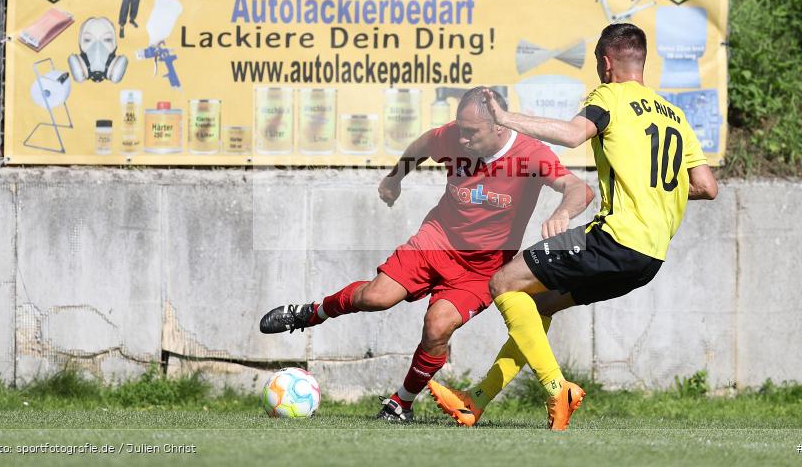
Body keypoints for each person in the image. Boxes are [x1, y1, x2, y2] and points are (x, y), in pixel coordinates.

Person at [427, 23, 718, 431]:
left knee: (503, 282)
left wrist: (506, 118)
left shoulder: (609, 97)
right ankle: (475, 402)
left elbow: (571, 134)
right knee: (539, 305)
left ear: (606, 63)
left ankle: (556, 388)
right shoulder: (675, 116)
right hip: (650, 258)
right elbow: (706, 186)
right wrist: (652, 191)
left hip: (615, 239)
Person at [260, 87, 594, 423]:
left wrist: (563, 212)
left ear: (498, 126)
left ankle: (400, 404)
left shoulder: (530, 154)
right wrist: (395, 178)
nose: (461, 139)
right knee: (376, 297)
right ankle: (311, 313)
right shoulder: (453, 137)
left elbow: (578, 188)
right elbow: (421, 146)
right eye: (460, 129)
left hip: (482, 268)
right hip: (436, 240)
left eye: (471, 132)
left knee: (437, 327)